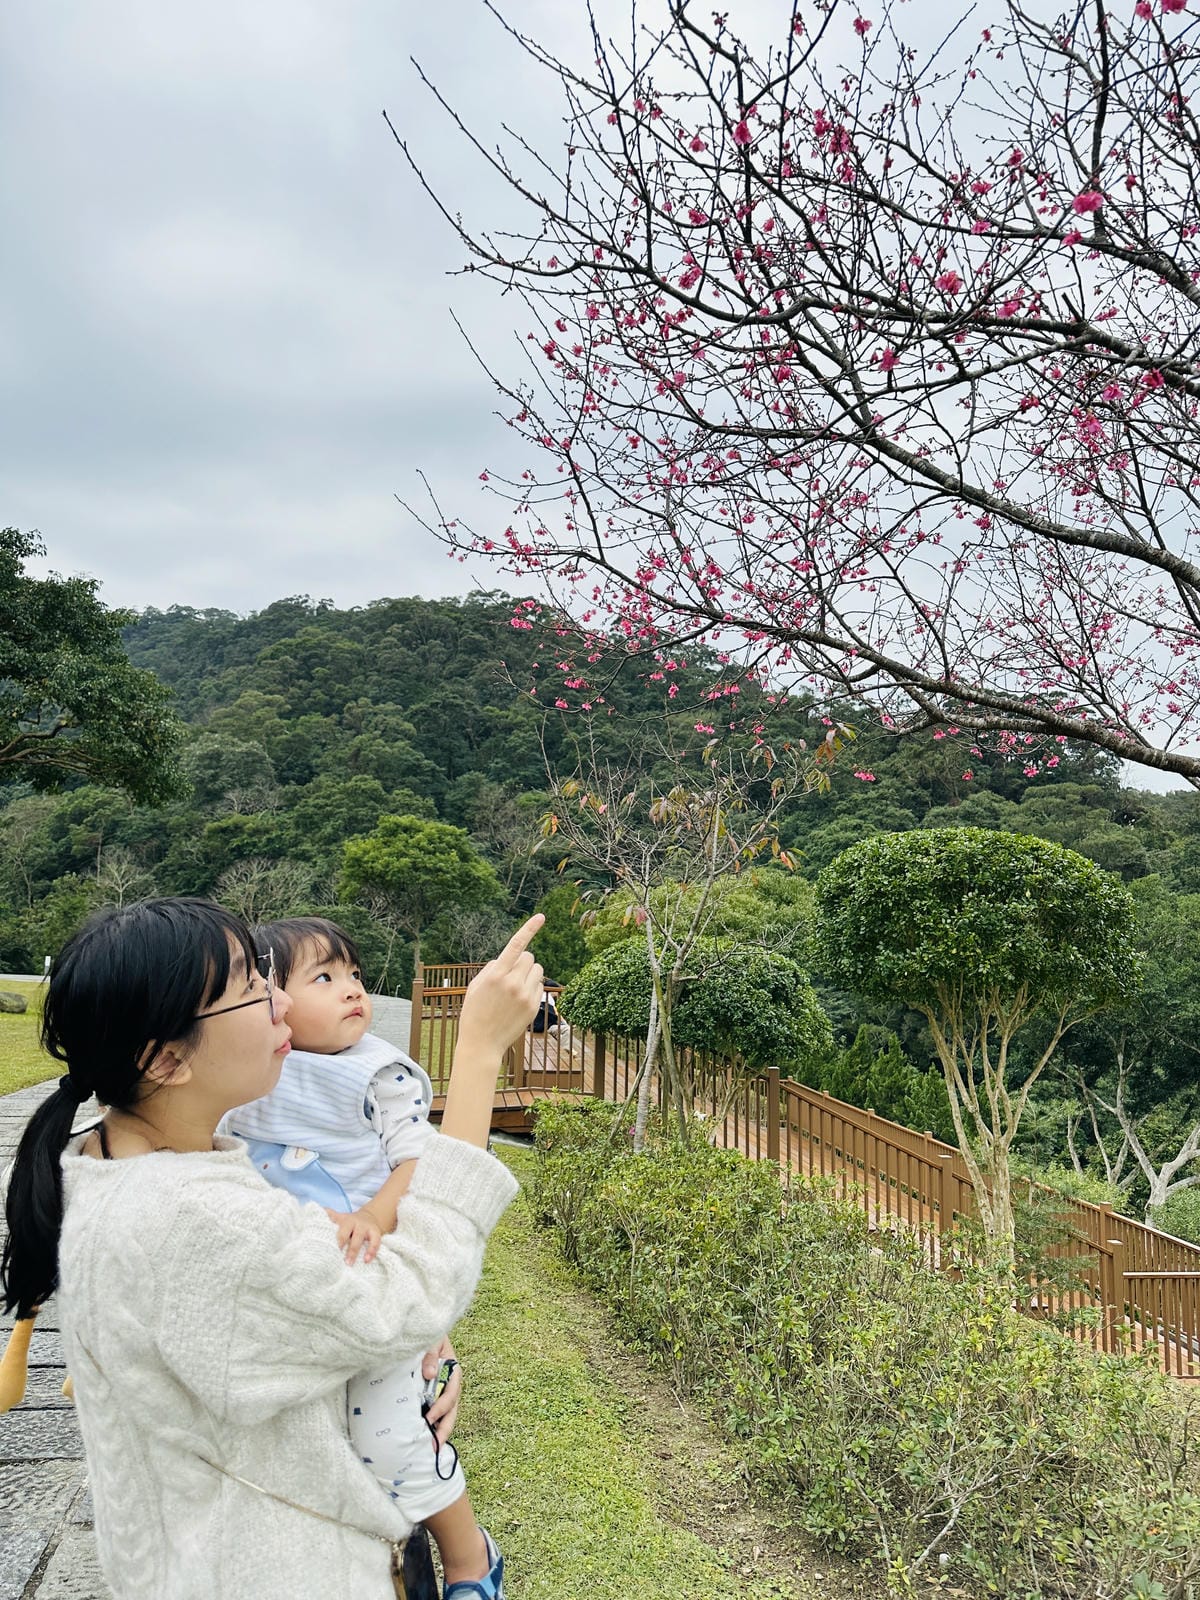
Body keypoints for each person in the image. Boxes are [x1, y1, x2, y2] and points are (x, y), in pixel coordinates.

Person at [0, 897, 544, 1600]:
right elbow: (408, 1296)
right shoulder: (200, 1222)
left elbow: (317, 1313)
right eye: (252, 990)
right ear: (167, 1059)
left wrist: (416, 1359)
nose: (279, 1005)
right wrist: (477, 1051)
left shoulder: (130, 1169)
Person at [220, 917, 500, 1599]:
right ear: (272, 1000)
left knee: (389, 1435)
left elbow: (421, 1162)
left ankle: (469, 1558)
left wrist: (377, 1218)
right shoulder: (250, 1072)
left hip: (371, 1276)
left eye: (355, 976)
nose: (351, 990)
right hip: (295, 1295)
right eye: (324, 977)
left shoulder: (378, 1075)